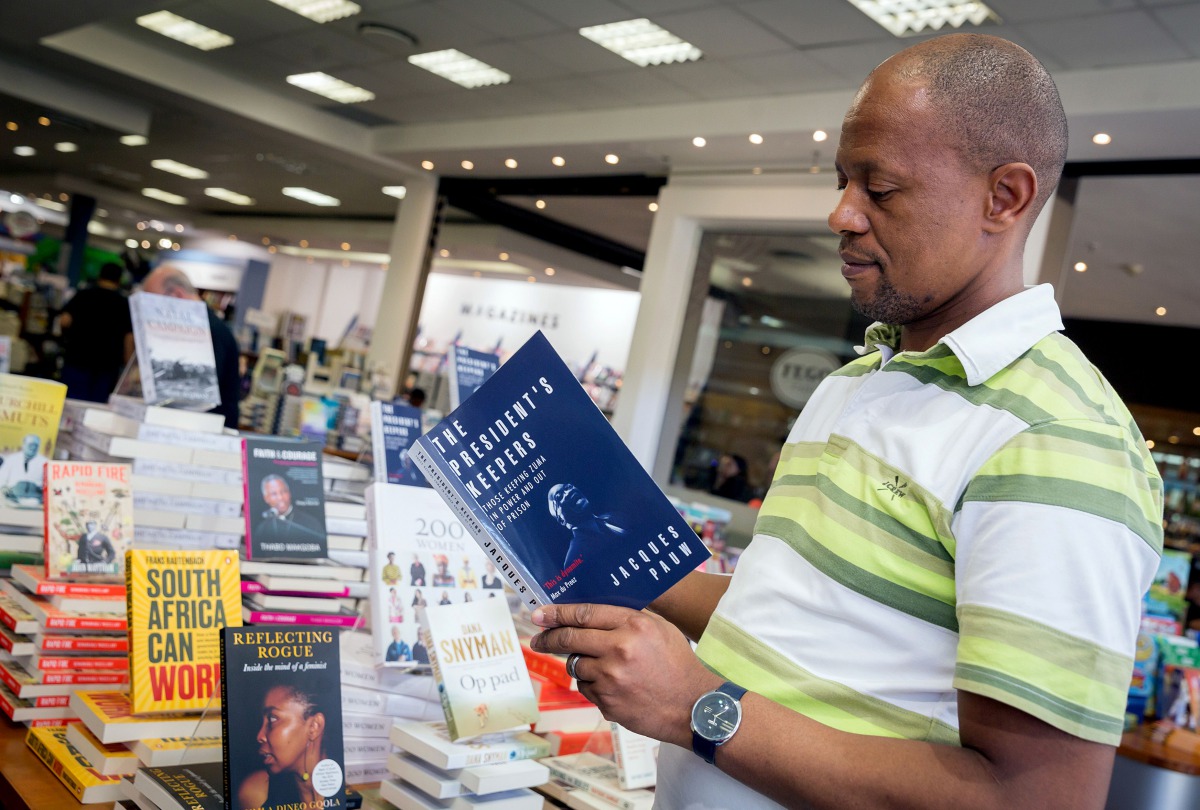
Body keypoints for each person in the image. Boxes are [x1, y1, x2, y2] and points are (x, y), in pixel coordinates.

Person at [529, 34, 1163, 810]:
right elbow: (796, 614)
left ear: (1005, 197)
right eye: (841, 180)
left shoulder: (1060, 438)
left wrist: (694, 704)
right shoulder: (858, 381)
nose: (840, 212)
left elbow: (1034, 800)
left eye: (882, 188)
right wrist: (620, 556)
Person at [141, 266, 240, 428]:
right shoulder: (202, 327)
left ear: (176, 295)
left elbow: (197, 394)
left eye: (154, 303)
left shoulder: (207, 331)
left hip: (207, 433)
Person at [237, 678, 334, 810]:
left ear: (314, 726)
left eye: (272, 718)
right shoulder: (255, 792)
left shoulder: (342, 790)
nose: (260, 736)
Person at [57, 262, 134, 403]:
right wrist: (128, 366)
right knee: (96, 408)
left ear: (100, 275)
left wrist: (65, 338)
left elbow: (64, 320)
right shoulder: (124, 304)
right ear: (119, 279)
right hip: (107, 364)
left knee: (70, 404)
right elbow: (129, 338)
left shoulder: (83, 295)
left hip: (77, 357)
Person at [547, 482, 628, 570]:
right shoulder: (573, 561)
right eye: (559, 497)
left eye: (568, 487)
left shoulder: (618, 516)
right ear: (562, 520)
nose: (568, 493)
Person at [253, 474, 324, 545]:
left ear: (289, 493)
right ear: (266, 498)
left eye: (283, 491)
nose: (280, 497)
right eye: (274, 494)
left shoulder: (311, 524)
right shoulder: (262, 529)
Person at [0, 434, 50, 503]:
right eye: (30, 444)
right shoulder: (12, 459)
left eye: (36, 445)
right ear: (24, 445)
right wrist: (3, 487)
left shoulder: (46, 462)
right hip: (12, 496)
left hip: (36, 499)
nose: (33, 447)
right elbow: (2, 477)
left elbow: (49, 482)